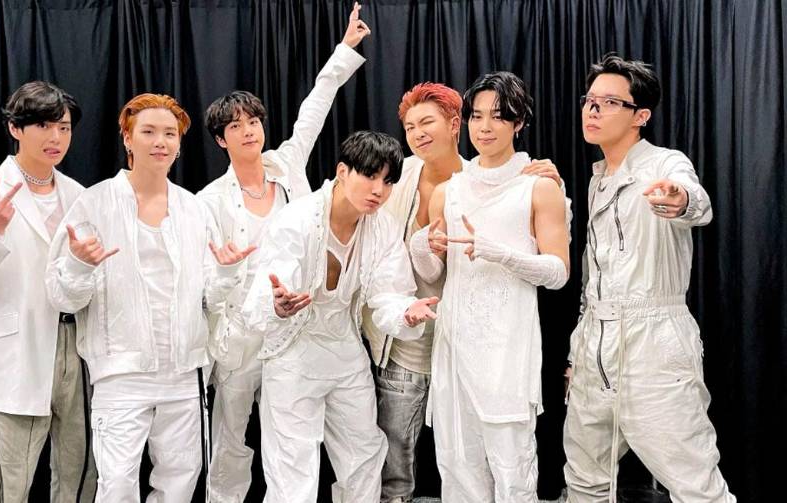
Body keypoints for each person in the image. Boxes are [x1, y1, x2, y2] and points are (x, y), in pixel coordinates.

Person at [196, 4, 370, 500]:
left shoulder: (288, 166)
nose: (249, 130)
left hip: (296, 329)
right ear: (221, 139)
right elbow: (211, 279)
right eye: (236, 126)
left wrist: (344, 49)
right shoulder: (209, 200)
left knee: (292, 440)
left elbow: (316, 105)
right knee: (230, 438)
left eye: (254, 121)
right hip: (242, 333)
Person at [45, 93, 251, 502]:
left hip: (185, 372)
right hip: (120, 374)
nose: (161, 141)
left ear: (180, 143)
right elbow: (62, 298)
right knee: (117, 485)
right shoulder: (95, 203)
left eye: (170, 134)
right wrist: (79, 265)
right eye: (149, 132)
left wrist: (228, 272)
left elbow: (210, 299)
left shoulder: (194, 209)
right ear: (127, 138)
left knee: (180, 483)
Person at [365, 81, 563, 503]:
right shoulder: (449, 190)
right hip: (453, 343)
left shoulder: (538, 185)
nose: (485, 126)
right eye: (478, 116)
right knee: (457, 464)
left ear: (519, 123)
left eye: (498, 116)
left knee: (513, 466)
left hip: (508, 345)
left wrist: (501, 253)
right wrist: (422, 246)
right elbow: (435, 271)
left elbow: (558, 273)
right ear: (466, 121)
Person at [562, 54, 735, 502]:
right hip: (595, 346)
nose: (592, 110)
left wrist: (681, 199)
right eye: (589, 100)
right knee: (584, 480)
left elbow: (695, 201)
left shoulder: (665, 164)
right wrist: (578, 353)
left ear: (640, 116)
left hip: (653, 343)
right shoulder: (598, 179)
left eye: (609, 102)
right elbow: (592, 274)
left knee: (696, 485)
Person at [242, 130, 438, 502]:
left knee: (363, 454)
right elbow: (271, 286)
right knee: (292, 467)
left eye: (388, 181)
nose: (378, 190)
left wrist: (405, 312)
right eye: (370, 175)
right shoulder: (297, 219)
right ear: (343, 171)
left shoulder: (382, 227)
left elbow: (388, 294)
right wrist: (278, 305)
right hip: (293, 352)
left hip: (345, 351)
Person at [0, 80, 97, 502]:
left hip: (79, 347)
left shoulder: (80, 195)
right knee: (7, 483)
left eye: (64, 128)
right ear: (16, 128)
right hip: (20, 350)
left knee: (81, 474)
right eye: (44, 126)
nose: (56, 138)